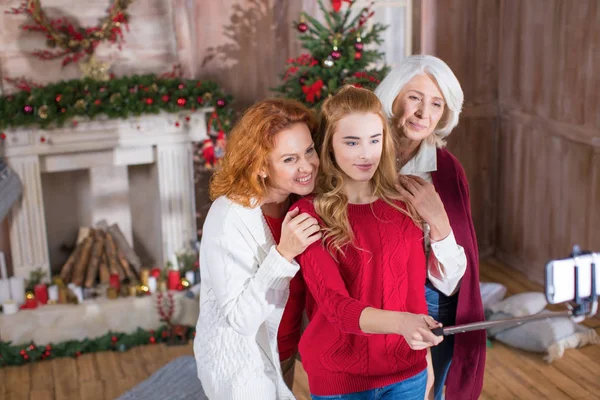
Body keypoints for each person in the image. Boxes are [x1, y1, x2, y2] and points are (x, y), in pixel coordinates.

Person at [281, 85, 443, 400]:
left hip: (407, 373)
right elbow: (336, 307)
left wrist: (425, 358)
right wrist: (401, 324)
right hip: (341, 379)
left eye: (374, 140)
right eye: (352, 142)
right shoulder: (309, 214)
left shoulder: (404, 204)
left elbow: (413, 292)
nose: (365, 153)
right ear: (329, 146)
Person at [193, 98, 322, 400]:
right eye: (289, 160)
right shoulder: (228, 217)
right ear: (261, 166)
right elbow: (241, 319)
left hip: (285, 350)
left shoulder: (300, 200)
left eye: (309, 151)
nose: (306, 167)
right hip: (241, 364)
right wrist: (283, 254)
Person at [374, 55, 486, 400]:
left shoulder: (447, 171)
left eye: (436, 103)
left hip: (429, 298)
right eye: (414, 98)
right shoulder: (361, 151)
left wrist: (437, 221)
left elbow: (453, 282)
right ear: (392, 96)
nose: (424, 113)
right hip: (371, 293)